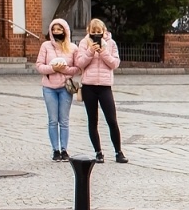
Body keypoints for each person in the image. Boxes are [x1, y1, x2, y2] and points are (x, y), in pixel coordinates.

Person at [74, 18, 128, 163]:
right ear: (88, 31)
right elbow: (79, 63)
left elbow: (115, 63)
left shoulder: (110, 43)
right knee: (93, 120)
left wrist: (103, 52)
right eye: (93, 32)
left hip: (105, 86)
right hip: (89, 86)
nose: (96, 35)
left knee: (111, 119)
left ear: (104, 31)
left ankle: (118, 151)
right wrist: (91, 51)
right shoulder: (84, 43)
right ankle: (98, 152)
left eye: (99, 32)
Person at [36, 20, 80, 161]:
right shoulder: (46, 46)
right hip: (49, 87)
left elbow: (78, 68)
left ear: (65, 30)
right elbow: (39, 65)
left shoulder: (72, 47)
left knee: (64, 120)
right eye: (54, 29)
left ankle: (64, 149)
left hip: (65, 87)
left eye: (59, 29)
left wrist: (65, 69)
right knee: (53, 120)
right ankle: (55, 149)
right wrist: (52, 69)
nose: (56, 31)